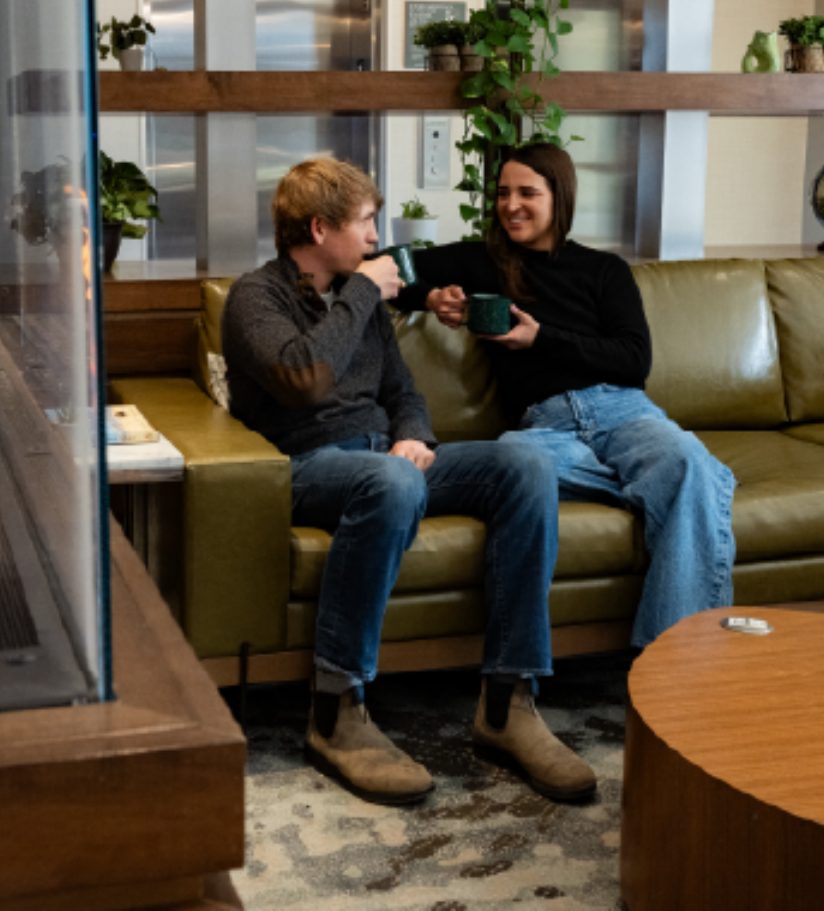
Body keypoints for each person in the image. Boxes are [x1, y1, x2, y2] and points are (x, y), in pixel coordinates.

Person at [222, 157, 598, 806]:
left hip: (388, 460)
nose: (376, 237)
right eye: (366, 222)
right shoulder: (257, 298)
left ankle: (508, 703)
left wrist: (415, 436)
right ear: (319, 227)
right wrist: (366, 291)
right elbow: (305, 378)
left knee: (526, 463)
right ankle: (336, 711)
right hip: (310, 466)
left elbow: (401, 389)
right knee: (391, 484)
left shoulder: (359, 299)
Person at [396, 143, 736, 650]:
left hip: (623, 411)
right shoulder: (480, 261)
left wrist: (542, 338)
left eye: (528, 193)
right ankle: (671, 485)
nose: (512, 205)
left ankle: (674, 661)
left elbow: (633, 360)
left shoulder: (605, 271)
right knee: (514, 459)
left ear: (560, 198)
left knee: (684, 459)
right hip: (544, 426)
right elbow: (381, 264)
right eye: (504, 193)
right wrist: (426, 296)